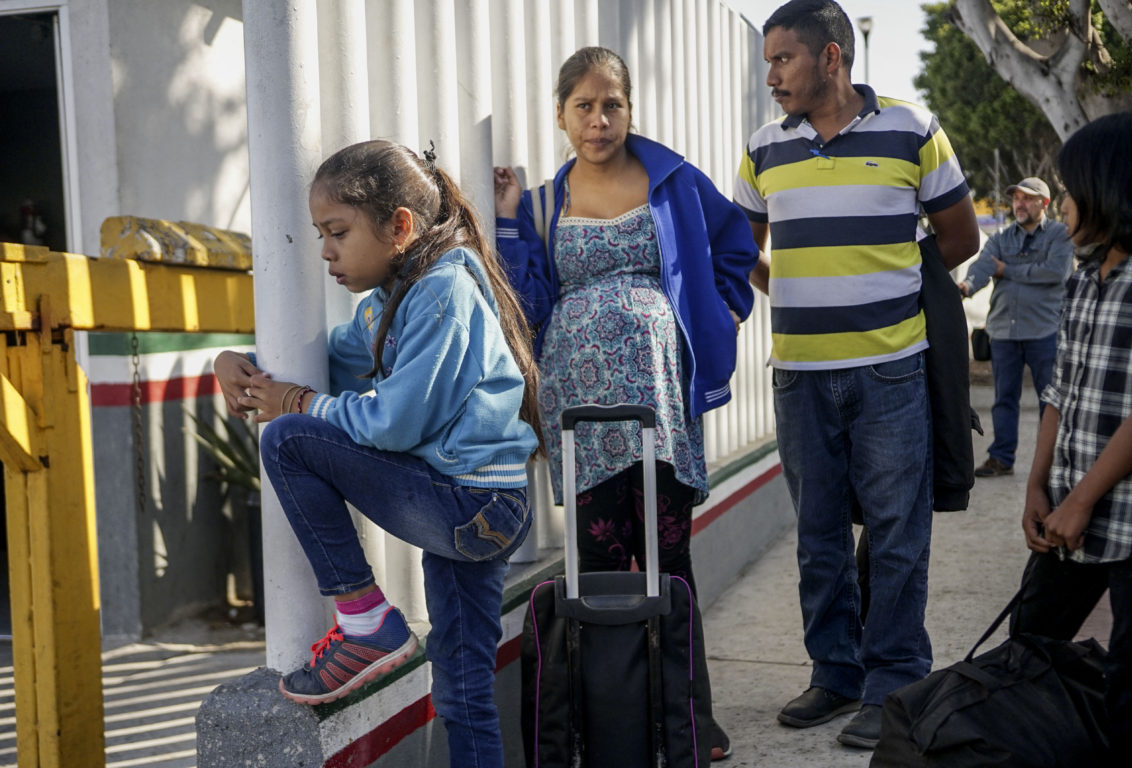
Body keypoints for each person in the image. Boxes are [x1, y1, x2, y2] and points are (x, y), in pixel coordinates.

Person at [213, 140, 544, 768]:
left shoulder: (442, 291)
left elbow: (393, 422)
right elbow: (323, 363)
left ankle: (366, 624)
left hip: (469, 502)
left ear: (399, 226)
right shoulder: (389, 304)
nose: (325, 251)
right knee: (464, 682)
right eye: (320, 234)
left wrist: (298, 403)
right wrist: (236, 361)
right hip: (478, 505)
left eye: (337, 232)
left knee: (288, 438)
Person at [493, 46, 758, 761]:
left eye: (612, 104)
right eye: (583, 106)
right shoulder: (547, 202)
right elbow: (530, 303)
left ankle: (688, 722)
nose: (599, 119)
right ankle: (602, 722)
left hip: (659, 408)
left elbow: (735, 248)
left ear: (629, 109)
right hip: (578, 412)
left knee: (669, 559)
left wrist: (718, 315)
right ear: (561, 115)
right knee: (595, 562)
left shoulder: (670, 181)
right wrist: (512, 221)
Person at [734, 0, 980, 750]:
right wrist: (805, 293)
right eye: (768, 60)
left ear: (832, 57)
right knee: (817, 536)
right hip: (800, 376)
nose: (770, 75)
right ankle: (834, 673)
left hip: (891, 373)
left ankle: (894, 682)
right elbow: (741, 252)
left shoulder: (912, 129)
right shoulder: (761, 149)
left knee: (897, 533)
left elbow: (960, 235)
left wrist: (886, 291)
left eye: (783, 59)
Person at [1013, 111, 1132, 764]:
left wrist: (1081, 500)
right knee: (1027, 645)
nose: (1062, 205)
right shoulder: (1083, 274)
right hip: (1067, 510)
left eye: (1069, 191)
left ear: (1109, 188)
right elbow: (1058, 391)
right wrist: (1039, 486)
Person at [958, 176, 1073, 478]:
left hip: (1044, 331)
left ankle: (1052, 462)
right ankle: (1001, 459)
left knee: (1050, 400)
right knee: (1003, 399)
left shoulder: (1060, 235)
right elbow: (984, 265)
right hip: (1004, 332)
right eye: (1016, 198)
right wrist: (967, 286)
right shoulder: (1001, 237)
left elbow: (1054, 272)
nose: (1019, 204)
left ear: (1043, 203)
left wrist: (1006, 269)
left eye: (1027, 198)